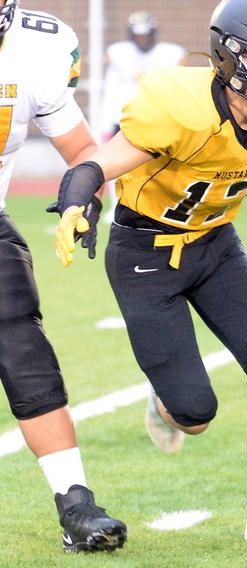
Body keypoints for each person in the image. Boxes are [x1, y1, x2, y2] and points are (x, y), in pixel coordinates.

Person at [50, 0, 247, 548]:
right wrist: (76, 203)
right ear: (228, 57)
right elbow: (94, 165)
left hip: (217, 245)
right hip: (144, 254)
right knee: (195, 414)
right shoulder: (177, 104)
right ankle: (166, 402)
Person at [0, 0, 126, 553]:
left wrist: (84, 200)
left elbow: (83, 152)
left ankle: (76, 503)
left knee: (26, 354)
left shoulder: (35, 49)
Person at [100, 11, 186, 223]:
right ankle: (116, 206)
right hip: (123, 119)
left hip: (157, 119)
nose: (143, 40)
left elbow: (182, 67)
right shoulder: (119, 52)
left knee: (160, 165)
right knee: (116, 164)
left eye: (146, 35)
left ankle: (159, 206)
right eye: (139, 36)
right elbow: (105, 58)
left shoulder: (169, 54)